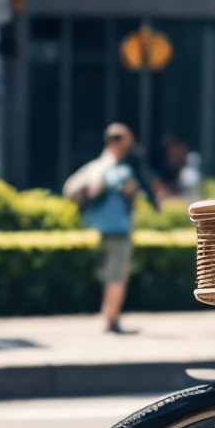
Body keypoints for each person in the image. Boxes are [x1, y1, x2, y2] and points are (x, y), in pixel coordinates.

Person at [63, 122, 154, 332]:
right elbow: (130, 197)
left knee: (108, 275)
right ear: (117, 142)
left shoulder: (94, 166)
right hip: (118, 229)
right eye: (126, 142)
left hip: (96, 228)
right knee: (117, 275)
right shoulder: (120, 170)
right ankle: (111, 320)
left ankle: (107, 316)